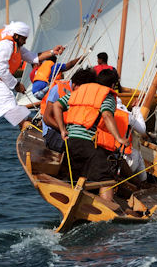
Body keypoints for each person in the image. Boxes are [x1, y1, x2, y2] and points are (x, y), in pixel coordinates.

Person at [0, 21, 64, 128]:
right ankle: (23, 123)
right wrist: (16, 85)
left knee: (6, 95)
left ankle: (23, 121)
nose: (25, 42)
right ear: (17, 36)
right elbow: (2, 70)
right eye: (24, 39)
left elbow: (31, 57)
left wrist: (52, 52)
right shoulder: (6, 45)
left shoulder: (13, 42)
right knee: (3, 95)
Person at [52, 73, 128, 207]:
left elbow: (56, 105)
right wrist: (119, 138)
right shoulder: (107, 96)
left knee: (79, 176)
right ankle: (106, 210)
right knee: (106, 178)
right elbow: (107, 115)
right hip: (88, 142)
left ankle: (76, 206)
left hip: (70, 142)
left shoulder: (78, 92)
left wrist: (63, 130)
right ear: (112, 85)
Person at [97, 68, 148, 183]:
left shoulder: (93, 104)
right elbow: (142, 129)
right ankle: (143, 183)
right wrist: (136, 109)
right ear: (113, 85)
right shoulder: (123, 112)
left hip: (97, 156)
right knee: (138, 157)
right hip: (121, 161)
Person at [41, 68, 96, 152]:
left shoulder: (85, 94)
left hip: (73, 131)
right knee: (70, 147)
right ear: (74, 85)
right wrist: (64, 130)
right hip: (53, 130)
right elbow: (47, 118)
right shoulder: (58, 89)